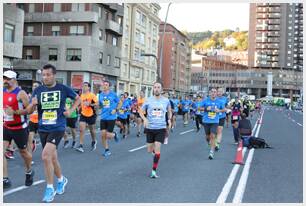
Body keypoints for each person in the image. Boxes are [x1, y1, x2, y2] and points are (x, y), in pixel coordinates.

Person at [27, 64, 81, 202]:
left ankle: (50, 189)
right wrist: (32, 104)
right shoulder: (38, 90)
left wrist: (71, 111)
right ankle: (61, 180)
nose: (45, 77)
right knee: (52, 158)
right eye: (43, 75)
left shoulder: (63, 88)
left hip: (58, 127)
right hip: (43, 127)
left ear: (54, 75)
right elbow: (29, 110)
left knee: (45, 156)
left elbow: (78, 99)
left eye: (48, 75)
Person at [3, 70, 35, 189]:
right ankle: (5, 179)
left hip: (19, 128)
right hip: (6, 126)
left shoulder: (21, 93)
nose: (5, 81)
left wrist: (15, 112)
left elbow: (30, 110)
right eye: (4, 78)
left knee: (24, 153)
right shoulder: (2, 91)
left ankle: (29, 171)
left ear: (14, 80)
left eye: (7, 79)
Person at [138, 82, 172, 178]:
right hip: (150, 128)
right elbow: (140, 111)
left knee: (157, 147)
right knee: (149, 150)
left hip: (161, 128)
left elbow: (169, 111)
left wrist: (169, 119)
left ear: (161, 90)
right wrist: (144, 119)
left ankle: (153, 171)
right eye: (155, 87)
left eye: (158, 87)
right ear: (153, 89)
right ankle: (154, 153)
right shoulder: (148, 100)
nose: (156, 89)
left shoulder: (166, 101)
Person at [99, 80, 120, 157]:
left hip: (111, 117)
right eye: (103, 84)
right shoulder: (100, 94)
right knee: (103, 135)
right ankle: (107, 150)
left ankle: (114, 134)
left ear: (109, 86)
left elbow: (119, 103)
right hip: (103, 117)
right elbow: (101, 105)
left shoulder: (113, 94)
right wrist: (96, 107)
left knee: (108, 135)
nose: (104, 86)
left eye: (106, 85)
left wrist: (116, 110)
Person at [75, 82, 98, 153]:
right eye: (83, 86)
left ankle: (94, 141)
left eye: (85, 86)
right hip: (83, 115)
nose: (84, 87)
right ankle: (81, 145)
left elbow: (97, 104)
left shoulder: (92, 95)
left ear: (89, 87)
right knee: (81, 129)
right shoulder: (81, 95)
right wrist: (77, 108)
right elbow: (80, 104)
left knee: (92, 130)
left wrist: (90, 104)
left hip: (91, 114)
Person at [200, 88, 221, 160]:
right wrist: (206, 109)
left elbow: (224, 109)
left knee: (213, 136)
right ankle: (211, 143)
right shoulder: (205, 100)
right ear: (210, 93)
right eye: (212, 92)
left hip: (215, 121)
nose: (213, 93)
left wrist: (219, 110)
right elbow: (199, 108)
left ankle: (211, 152)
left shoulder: (219, 101)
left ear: (216, 93)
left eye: (215, 92)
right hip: (206, 121)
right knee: (207, 137)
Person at [27, 81, 42, 162]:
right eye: (33, 86)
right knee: (29, 139)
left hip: (41, 121)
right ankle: (30, 158)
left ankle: (48, 155)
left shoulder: (43, 96)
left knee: (45, 141)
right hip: (32, 120)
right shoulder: (30, 97)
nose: (34, 87)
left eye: (36, 86)